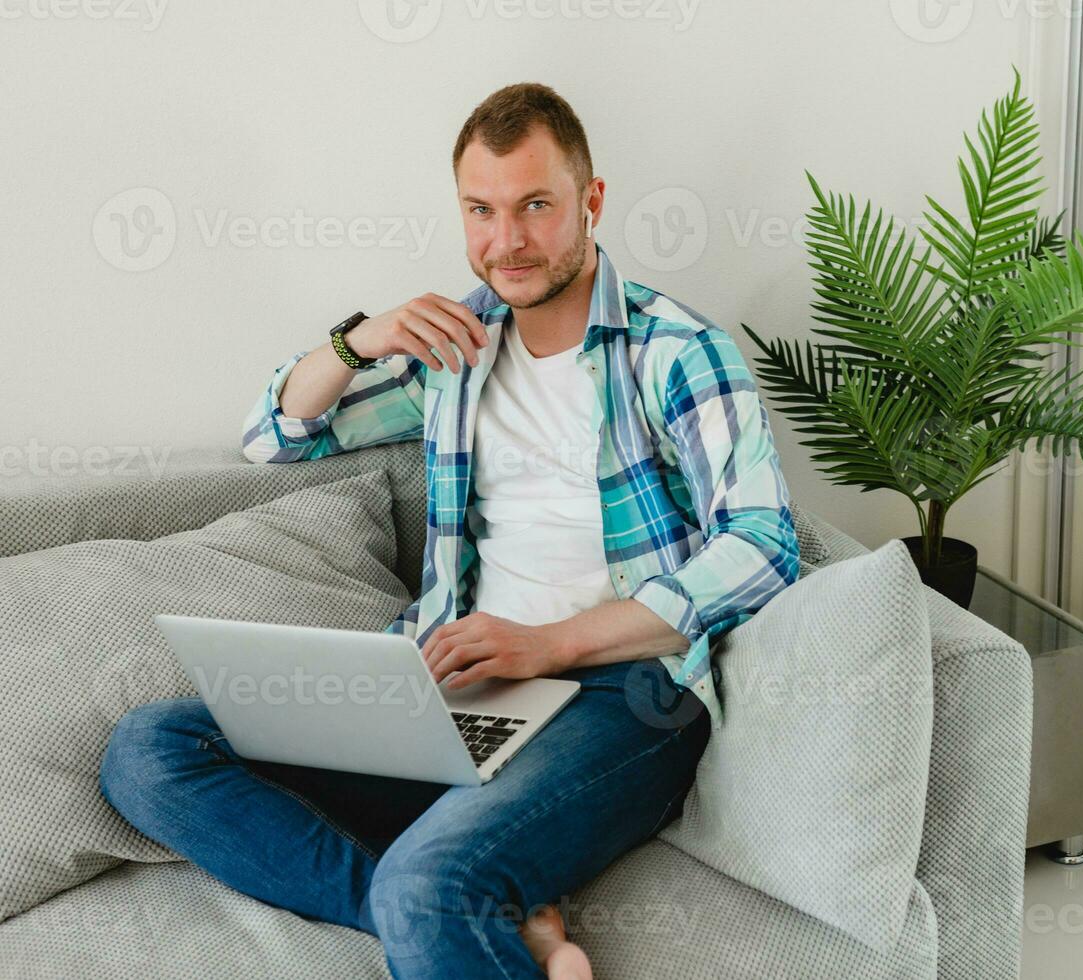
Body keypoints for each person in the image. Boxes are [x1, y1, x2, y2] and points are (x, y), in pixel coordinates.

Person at [98, 81, 800, 979]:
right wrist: (364, 340)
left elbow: (764, 545)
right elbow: (275, 437)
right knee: (151, 750)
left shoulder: (675, 350)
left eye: (535, 206)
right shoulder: (456, 353)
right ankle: (499, 916)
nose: (505, 241)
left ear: (591, 202)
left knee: (426, 886)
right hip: (451, 684)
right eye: (481, 210)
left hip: (624, 695)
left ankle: (439, 897)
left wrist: (546, 644)